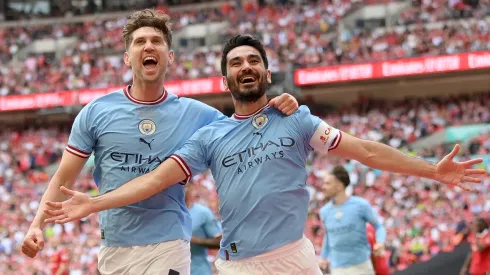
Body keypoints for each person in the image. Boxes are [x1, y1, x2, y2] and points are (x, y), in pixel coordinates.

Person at [43, 34, 486, 275]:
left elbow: (366, 150)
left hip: (296, 256)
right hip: (241, 267)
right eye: (235, 63)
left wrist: (432, 170)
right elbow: (156, 179)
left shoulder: (297, 118)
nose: (245, 67)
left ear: (267, 72)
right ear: (225, 81)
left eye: (252, 60)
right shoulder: (210, 137)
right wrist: (95, 202)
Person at [20, 10, 299, 275]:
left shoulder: (197, 114)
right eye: (140, 42)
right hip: (114, 247)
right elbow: (62, 177)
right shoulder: (96, 112)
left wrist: (278, 105)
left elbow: (247, 128)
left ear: (171, 57)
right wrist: (36, 225)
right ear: (128, 58)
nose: (149, 46)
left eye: (157, 41)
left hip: (169, 243)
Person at [318, 165, 387, 275]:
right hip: (337, 270)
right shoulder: (324, 211)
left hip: (361, 267)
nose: (323, 187)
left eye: (328, 183)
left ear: (339, 186)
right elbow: (328, 236)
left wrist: (380, 242)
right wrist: (323, 257)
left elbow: (379, 227)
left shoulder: (360, 205)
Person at [186, 183, 222, 275]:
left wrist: (195, 240)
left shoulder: (203, 212)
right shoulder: (167, 213)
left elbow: (219, 243)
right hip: (172, 267)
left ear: (191, 189)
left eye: (184, 186)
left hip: (198, 270)